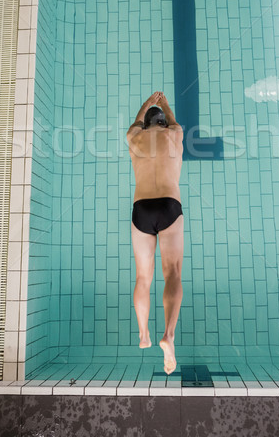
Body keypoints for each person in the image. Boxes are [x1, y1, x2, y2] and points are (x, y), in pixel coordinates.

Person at [126, 91, 184, 375]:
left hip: (142, 209)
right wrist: (165, 105)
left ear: (146, 124)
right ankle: (168, 335)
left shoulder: (134, 138)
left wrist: (146, 103)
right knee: (172, 273)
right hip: (170, 204)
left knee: (143, 277)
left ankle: (143, 334)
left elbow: (134, 123)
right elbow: (174, 122)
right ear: (163, 122)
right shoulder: (174, 134)